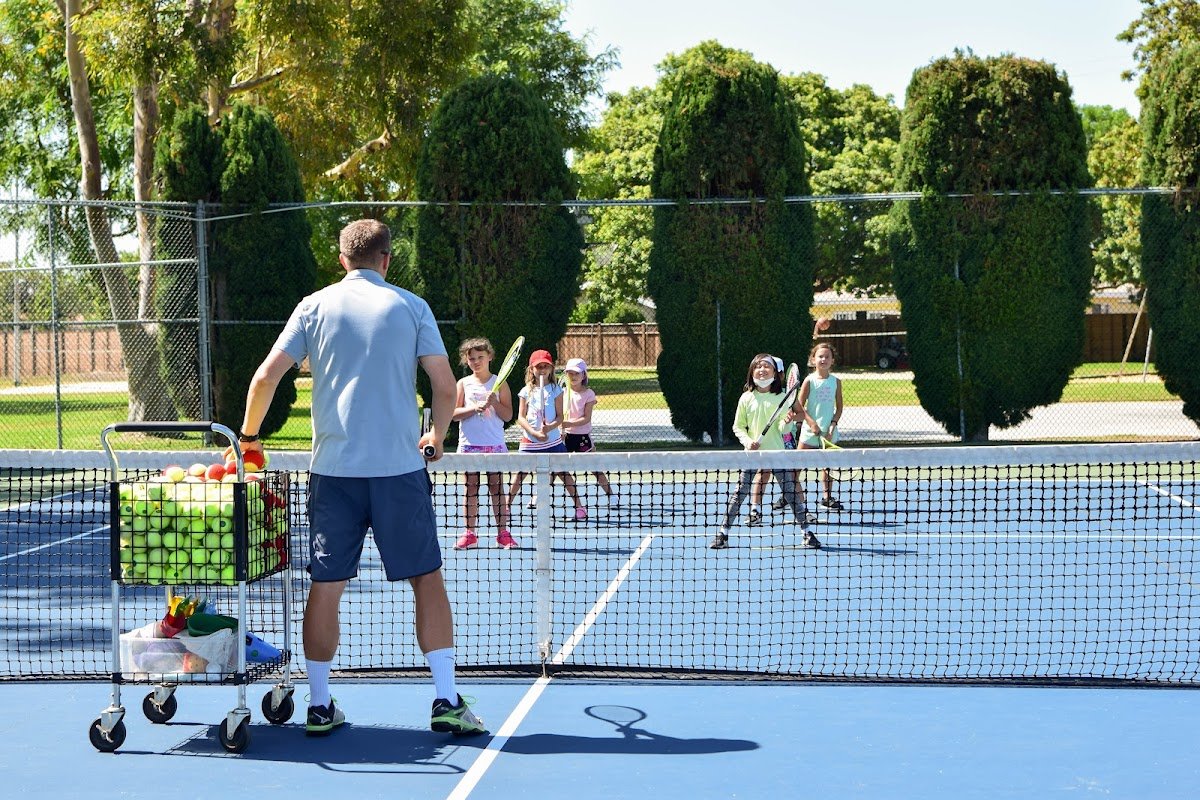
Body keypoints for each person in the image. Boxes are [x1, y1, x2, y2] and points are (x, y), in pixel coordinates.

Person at [238, 219, 484, 738]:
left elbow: (264, 378)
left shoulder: (314, 306)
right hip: (400, 473)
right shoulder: (412, 306)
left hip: (334, 474)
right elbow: (444, 386)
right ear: (388, 259)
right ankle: (445, 700)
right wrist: (437, 436)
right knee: (427, 580)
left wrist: (250, 438)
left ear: (342, 260)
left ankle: (321, 706)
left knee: (326, 586)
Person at [710, 354, 819, 550]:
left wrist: (787, 422)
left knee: (791, 494)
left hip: (778, 455)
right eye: (757, 367)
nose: (761, 370)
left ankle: (807, 533)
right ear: (751, 373)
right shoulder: (746, 398)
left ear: (776, 374)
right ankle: (723, 534)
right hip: (752, 456)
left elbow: (783, 429)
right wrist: (748, 441)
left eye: (766, 366)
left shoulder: (784, 396)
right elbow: (738, 427)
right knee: (739, 493)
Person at [506, 349, 587, 520]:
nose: (542, 370)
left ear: (551, 369)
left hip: (552, 442)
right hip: (529, 442)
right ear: (531, 369)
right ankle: (505, 506)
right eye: (538, 367)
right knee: (520, 474)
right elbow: (521, 417)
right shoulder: (525, 391)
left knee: (564, 474)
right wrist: (534, 432)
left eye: (545, 366)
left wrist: (549, 428)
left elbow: (560, 417)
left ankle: (580, 507)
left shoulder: (556, 390)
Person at [451, 337, 516, 550]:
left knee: (497, 490)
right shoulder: (463, 384)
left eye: (480, 357)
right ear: (466, 361)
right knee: (470, 490)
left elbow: (508, 416)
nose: (476, 361)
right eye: (471, 358)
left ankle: (503, 534)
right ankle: (469, 533)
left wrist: (494, 402)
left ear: (490, 357)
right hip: (469, 447)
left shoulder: (500, 383)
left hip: (494, 446)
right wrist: (473, 408)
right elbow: (453, 414)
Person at [559, 357, 618, 506]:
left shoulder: (588, 394)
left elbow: (586, 418)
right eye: (570, 373)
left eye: (577, 373)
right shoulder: (561, 393)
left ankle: (611, 495)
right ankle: (537, 496)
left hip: (582, 438)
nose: (573, 376)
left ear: (584, 375)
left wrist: (568, 423)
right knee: (555, 467)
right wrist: (561, 428)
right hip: (564, 437)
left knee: (593, 467)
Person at [797, 341, 845, 512]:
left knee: (828, 466)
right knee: (796, 467)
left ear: (832, 360)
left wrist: (832, 425)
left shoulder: (836, 382)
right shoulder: (809, 381)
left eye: (827, 357)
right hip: (809, 432)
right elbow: (799, 406)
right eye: (820, 356)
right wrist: (811, 423)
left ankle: (827, 498)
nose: (823, 359)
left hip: (829, 433)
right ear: (813, 359)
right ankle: (790, 496)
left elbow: (839, 408)